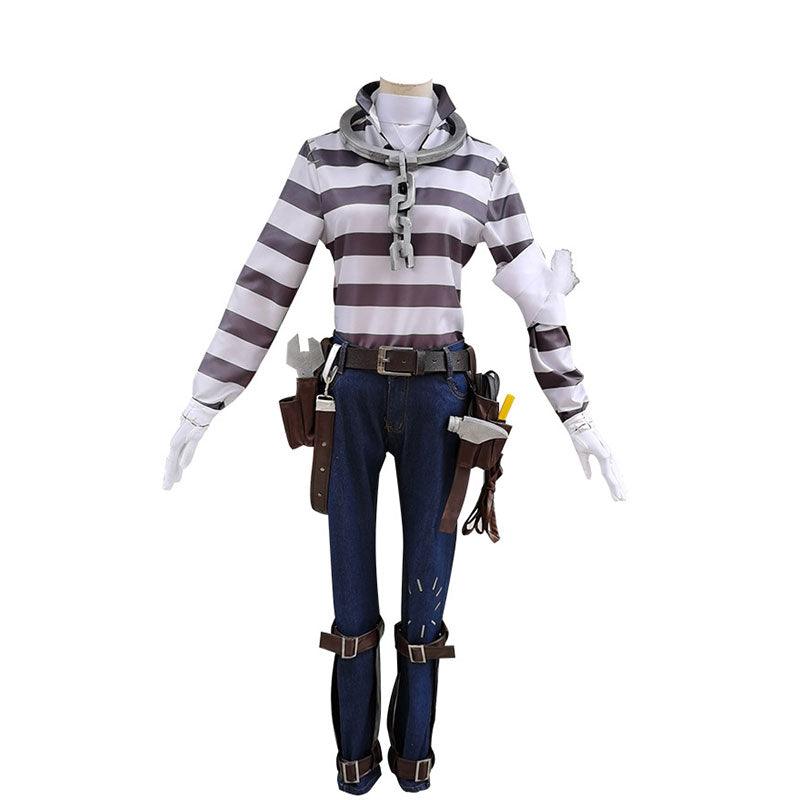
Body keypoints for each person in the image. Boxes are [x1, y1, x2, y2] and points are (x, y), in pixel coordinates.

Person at [163, 78, 625, 794]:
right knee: (349, 594)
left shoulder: (484, 164)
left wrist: (578, 412)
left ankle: (414, 759)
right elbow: (266, 280)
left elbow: (539, 301)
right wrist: (206, 399)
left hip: (443, 398)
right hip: (348, 394)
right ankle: (354, 764)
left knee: (427, 594)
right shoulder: (322, 158)